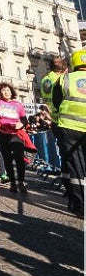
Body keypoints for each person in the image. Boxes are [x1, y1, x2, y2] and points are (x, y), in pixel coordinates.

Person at [50, 48, 86, 217]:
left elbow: (55, 105)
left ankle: (81, 205)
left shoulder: (64, 79)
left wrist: (56, 125)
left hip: (69, 128)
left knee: (76, 167)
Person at [0, 82, 30, 194]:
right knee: (7, 158)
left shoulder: (18, 105)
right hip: (1, 133)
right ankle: (13, 182)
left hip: (15, 133)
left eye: (8, 90)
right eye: (4, 90)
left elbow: (24, 120)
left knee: (19, 157)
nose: (6, 92)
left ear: (11, 92)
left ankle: (21, 182)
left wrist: (21, 124)